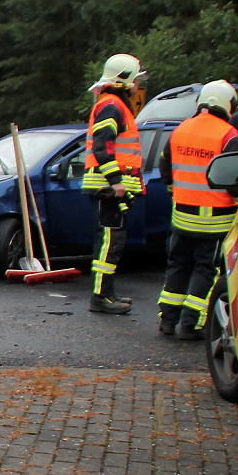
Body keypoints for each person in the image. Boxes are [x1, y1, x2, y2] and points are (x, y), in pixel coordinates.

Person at [157, 80, 238, 340]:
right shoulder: (230, 136)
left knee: (178, 266)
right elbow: (236, 182)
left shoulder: (180, 130)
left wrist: (178, 191)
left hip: (182, 216)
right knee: (206, 270)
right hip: (215, 221)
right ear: (229, 104)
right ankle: (191, 325)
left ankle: (167, 321)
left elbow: (164, 168)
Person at [82, 53, 147, 315]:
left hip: (108, 187)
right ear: (122, 80)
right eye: (135, 80)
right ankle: (102, 297)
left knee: (109, 242)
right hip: (108, 188)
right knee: (110, 242)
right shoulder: (112, 106)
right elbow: (102, 146)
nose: (137, 85)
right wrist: (117, 181)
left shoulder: (113, 105)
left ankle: (106, 294)